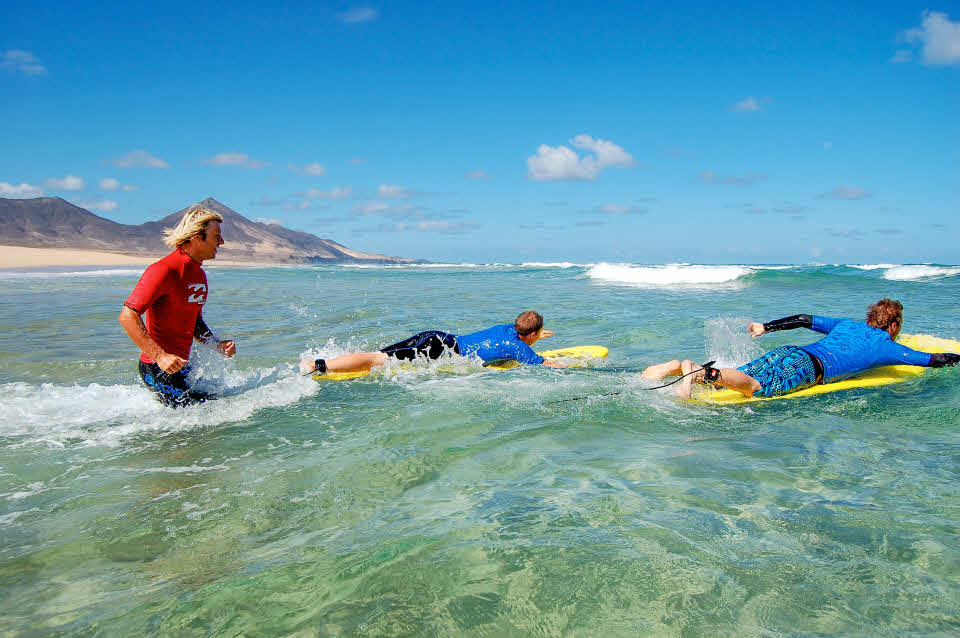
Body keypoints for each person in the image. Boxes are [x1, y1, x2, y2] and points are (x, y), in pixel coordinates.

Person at [641, 298, 960, 399]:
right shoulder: (888, 347)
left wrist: (767, 326)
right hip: (809, 370)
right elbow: (933, 360)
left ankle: (679, 367)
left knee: (738, 375)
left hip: (791, 352)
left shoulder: (846, 324)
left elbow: (805, 319)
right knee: (756, 388)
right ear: (894, 325)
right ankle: (702, 372)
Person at [118, 205, 236, 406]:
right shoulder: (163, 270)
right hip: (157, 369)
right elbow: (127, 316)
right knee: (203, 415)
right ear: (197, 237)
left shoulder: (199, 276)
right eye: (216, 236)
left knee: (217, 405)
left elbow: (194, 321)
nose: (222, 242)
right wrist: (160, 356)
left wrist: (217, 344)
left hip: (183, 367)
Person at [299, 310, 568, 375]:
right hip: (442, 350)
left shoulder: (509, 329)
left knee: (378, 354)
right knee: (375, 360)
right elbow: (547, 364)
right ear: (530, 336)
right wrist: (574, 365)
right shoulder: (519, 347)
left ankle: (326, 361)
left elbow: (519, 337)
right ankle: (318, 365)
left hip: (436, 337)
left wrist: (535, 335)